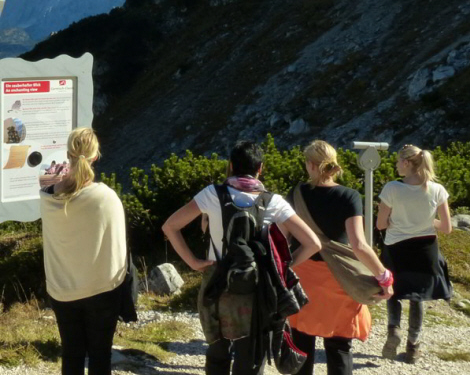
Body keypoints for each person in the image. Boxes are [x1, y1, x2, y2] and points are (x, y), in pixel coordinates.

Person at [162, 140, 321, 375]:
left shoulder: (211, 194)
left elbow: (170, 227)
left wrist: (194, 263)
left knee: (218, 351)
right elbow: (313, 243)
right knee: (251, 355)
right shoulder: (274, 202)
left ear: (231, 165)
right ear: (261, 168)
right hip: (257, 290)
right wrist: (281, 266)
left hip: (217, 284)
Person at [286, 140, 393, 375]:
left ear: (312, 165)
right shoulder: (349, 196)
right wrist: (384, 276)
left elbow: (283, 238)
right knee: (340, 346)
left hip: (303, 276)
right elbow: (359, 245)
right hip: (339, 278)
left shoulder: (296, 194)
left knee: (301, 343)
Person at [39, 127, 128, 375]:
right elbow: (119, 244)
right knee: (100, 356)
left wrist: (62, 166)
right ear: (96, 156)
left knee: (72, 353)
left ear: (67, 154)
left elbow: (48, 178)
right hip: (102, 287)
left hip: (62, 290)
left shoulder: (46, 197)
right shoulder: (106, 197)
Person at [376, 144, 453, 364]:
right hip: (425, 248)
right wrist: (428, 220)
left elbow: (381, 224)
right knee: (418, 297)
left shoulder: (392, 188)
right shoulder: (437, 190)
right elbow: (447, 228)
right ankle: (413, 347)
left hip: (396, 247)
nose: (396, 164)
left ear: (407, 163)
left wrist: (395, 221)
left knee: (394, 290)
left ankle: (394, 330)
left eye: (398, 161)